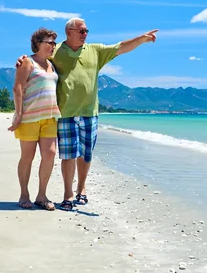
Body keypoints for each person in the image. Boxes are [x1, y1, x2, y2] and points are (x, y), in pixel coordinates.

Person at [17, 17, 157, 211]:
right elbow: (37, 59)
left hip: (90, 112)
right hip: (65, 111)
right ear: (69, 32)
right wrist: (23, 59)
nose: (85, 34)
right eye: (81, 31)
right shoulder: (55, 51)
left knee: (86, 155)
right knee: (68, 155)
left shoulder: (95, 50)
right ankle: (67, 195)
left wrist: (140, 39)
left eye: (86, 31)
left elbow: (120, 47)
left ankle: (81, 189)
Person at [8, 28, 61, 211]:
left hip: (50, 117)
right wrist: (18, 114)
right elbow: (18, 88)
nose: (53, 46)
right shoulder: (27, 62)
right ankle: (24, 194)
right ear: (39, 43)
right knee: (27, 157)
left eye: (55, 43)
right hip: (30, 117)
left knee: (50, 154)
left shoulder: (52, 64)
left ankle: (42, 195)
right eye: (50, 42)